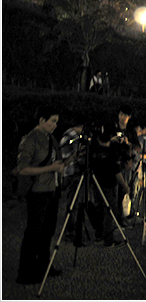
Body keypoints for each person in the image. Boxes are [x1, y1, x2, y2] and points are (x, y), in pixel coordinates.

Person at [16, 106, 65, 284]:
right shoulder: (30, 139)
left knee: (47, 231)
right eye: (52, 121)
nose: (55, 125)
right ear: (41, 120)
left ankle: (44, 266)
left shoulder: (50, 139)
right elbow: (22, 168)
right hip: (37, 192)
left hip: (52, 190)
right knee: (34, 232)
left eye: (56, 122)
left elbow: (55, 162)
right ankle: (25, 271)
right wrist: (50, 168)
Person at [90, 123, 130, 247]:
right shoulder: (112, 153)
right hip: (109, 185)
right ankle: (108, 240)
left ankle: (99, 235)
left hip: (96, 184)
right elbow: (117, 173)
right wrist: (126, 186)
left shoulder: (93, 150)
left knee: (99, 209)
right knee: (109, 212)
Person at [59, 119, 87, 242]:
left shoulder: (67, 134)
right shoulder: (74, 137)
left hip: (68, 173)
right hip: (73, 173)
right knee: (73, 204)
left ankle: (70, 230)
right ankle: (70, 232)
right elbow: (78, 155)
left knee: (72, 202)